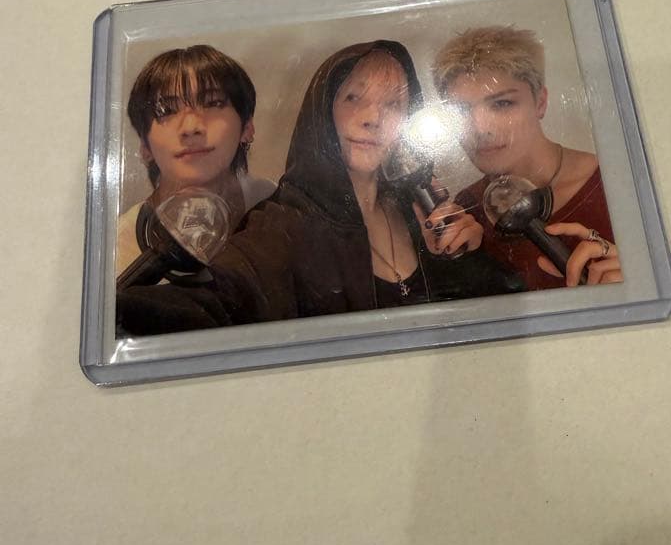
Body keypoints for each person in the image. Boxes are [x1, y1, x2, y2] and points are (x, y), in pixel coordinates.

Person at [116, 39, 523, 335]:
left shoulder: (419, 209)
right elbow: (217, 301)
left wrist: (464, 259)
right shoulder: (281, 222)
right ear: (323, 113)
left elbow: (499, 308)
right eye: (353, 98)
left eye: (393, 104)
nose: (373, 118)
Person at [432, 26, 623, 288]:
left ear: (540, 103)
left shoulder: (616, 183)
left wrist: (635, 282)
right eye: (461, 111)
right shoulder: (467, 208)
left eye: (502, 104)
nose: (481, 128)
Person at [117, 44, 276, 275]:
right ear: (144, 145)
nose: (191, 128)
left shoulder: (273, 204)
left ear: (247, 127)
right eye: (166, 110)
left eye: (213, 103)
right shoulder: (120, 249)